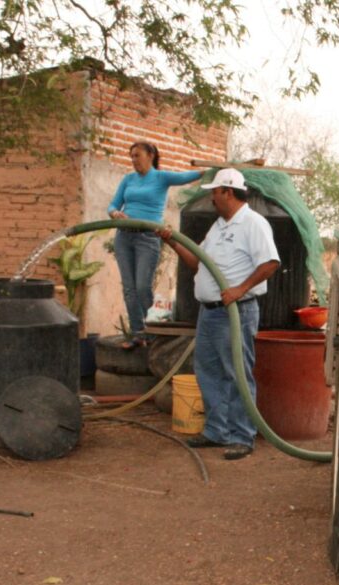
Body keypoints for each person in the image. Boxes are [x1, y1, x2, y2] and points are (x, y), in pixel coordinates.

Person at [158, 168, 280, 460]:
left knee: (236, 373)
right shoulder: (218, 227)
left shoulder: (254, 223)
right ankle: (216, 432)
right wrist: (173, 241)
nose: (211, 198)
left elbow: (271, 263)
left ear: (227, 191)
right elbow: (198, 264)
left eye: (214, 192)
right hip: (209, 313)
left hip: (236, 312)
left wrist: (240, 288)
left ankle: (242, 436)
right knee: (208, 372)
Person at [108, 141, 203, 350]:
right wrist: (115, 213)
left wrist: (211, 170)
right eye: (131, 156)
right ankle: (137, 334)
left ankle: (151, 333)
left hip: (147, 238)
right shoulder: (128, 179)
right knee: (129, 289)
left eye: (137, 155)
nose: (133, 160)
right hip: (124, 237)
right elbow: (113, 204)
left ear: (150, 155)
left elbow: (188, 176)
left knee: (142, 286)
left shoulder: (162, 177)